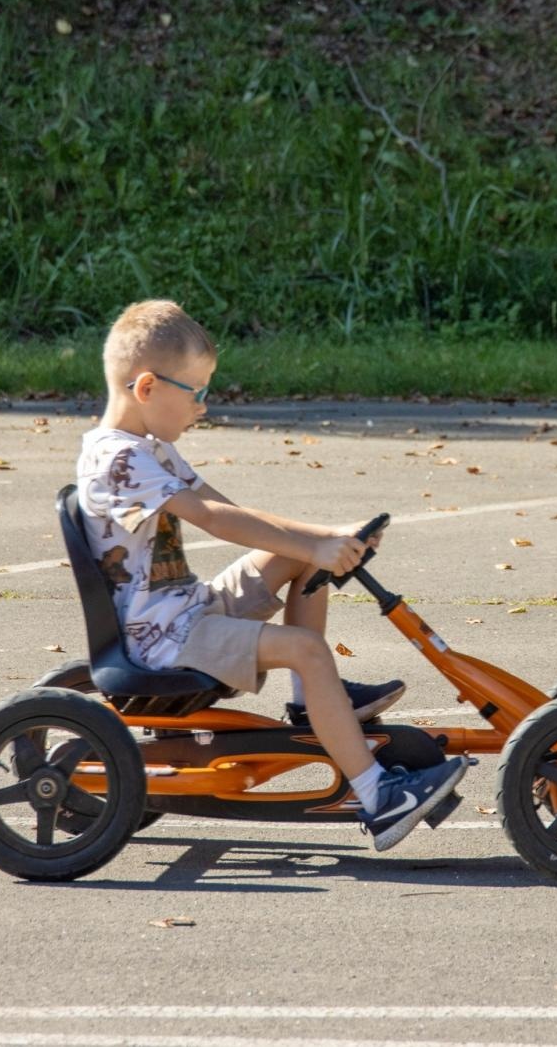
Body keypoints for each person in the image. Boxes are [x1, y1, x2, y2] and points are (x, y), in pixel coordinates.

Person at [75, 299, 465, 850]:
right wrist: (317, 543)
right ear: (146, 388)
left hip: (188, 611)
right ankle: (378, 797)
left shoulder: (149, 449)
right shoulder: (120, 459)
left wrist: (326, 539)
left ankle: (313, 703)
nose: (204, 407)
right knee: (306, 647)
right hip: (166, 639)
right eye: (198, 391)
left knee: (300, 557)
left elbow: (231, 509)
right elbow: (212, 519)